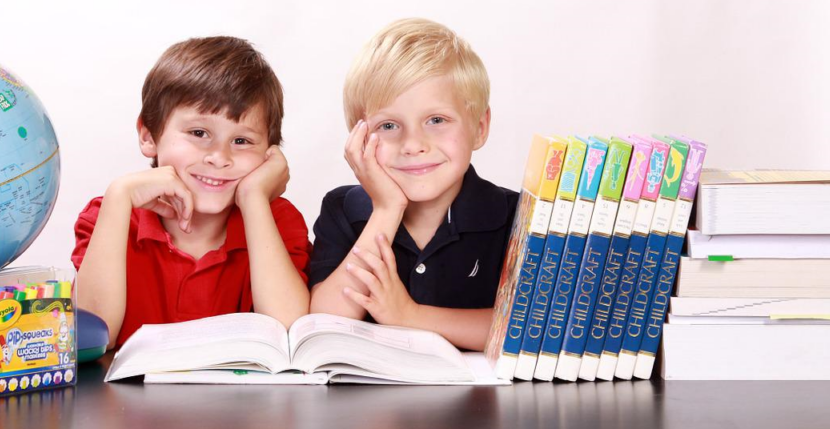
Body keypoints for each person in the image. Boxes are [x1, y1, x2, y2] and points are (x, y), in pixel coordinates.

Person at [73, 37, 310, 348]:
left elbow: (291, 335)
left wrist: (253, 199)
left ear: (269, 153)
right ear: (148, 136)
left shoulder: (276, 221)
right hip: (126, 398)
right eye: (199, 133)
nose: (219, 157)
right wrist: (119, 196)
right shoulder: (109, 215)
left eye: (242, 141)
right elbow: (91, 340)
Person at [309, 18, 518, 351]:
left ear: (479, 127)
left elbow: (524, 329)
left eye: (436, 120)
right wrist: (387, 208)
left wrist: (410, 315)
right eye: (389, 125)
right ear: (359, 138)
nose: (412, 144)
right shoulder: (344, 209)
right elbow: (324, 322)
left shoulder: (513, 216)